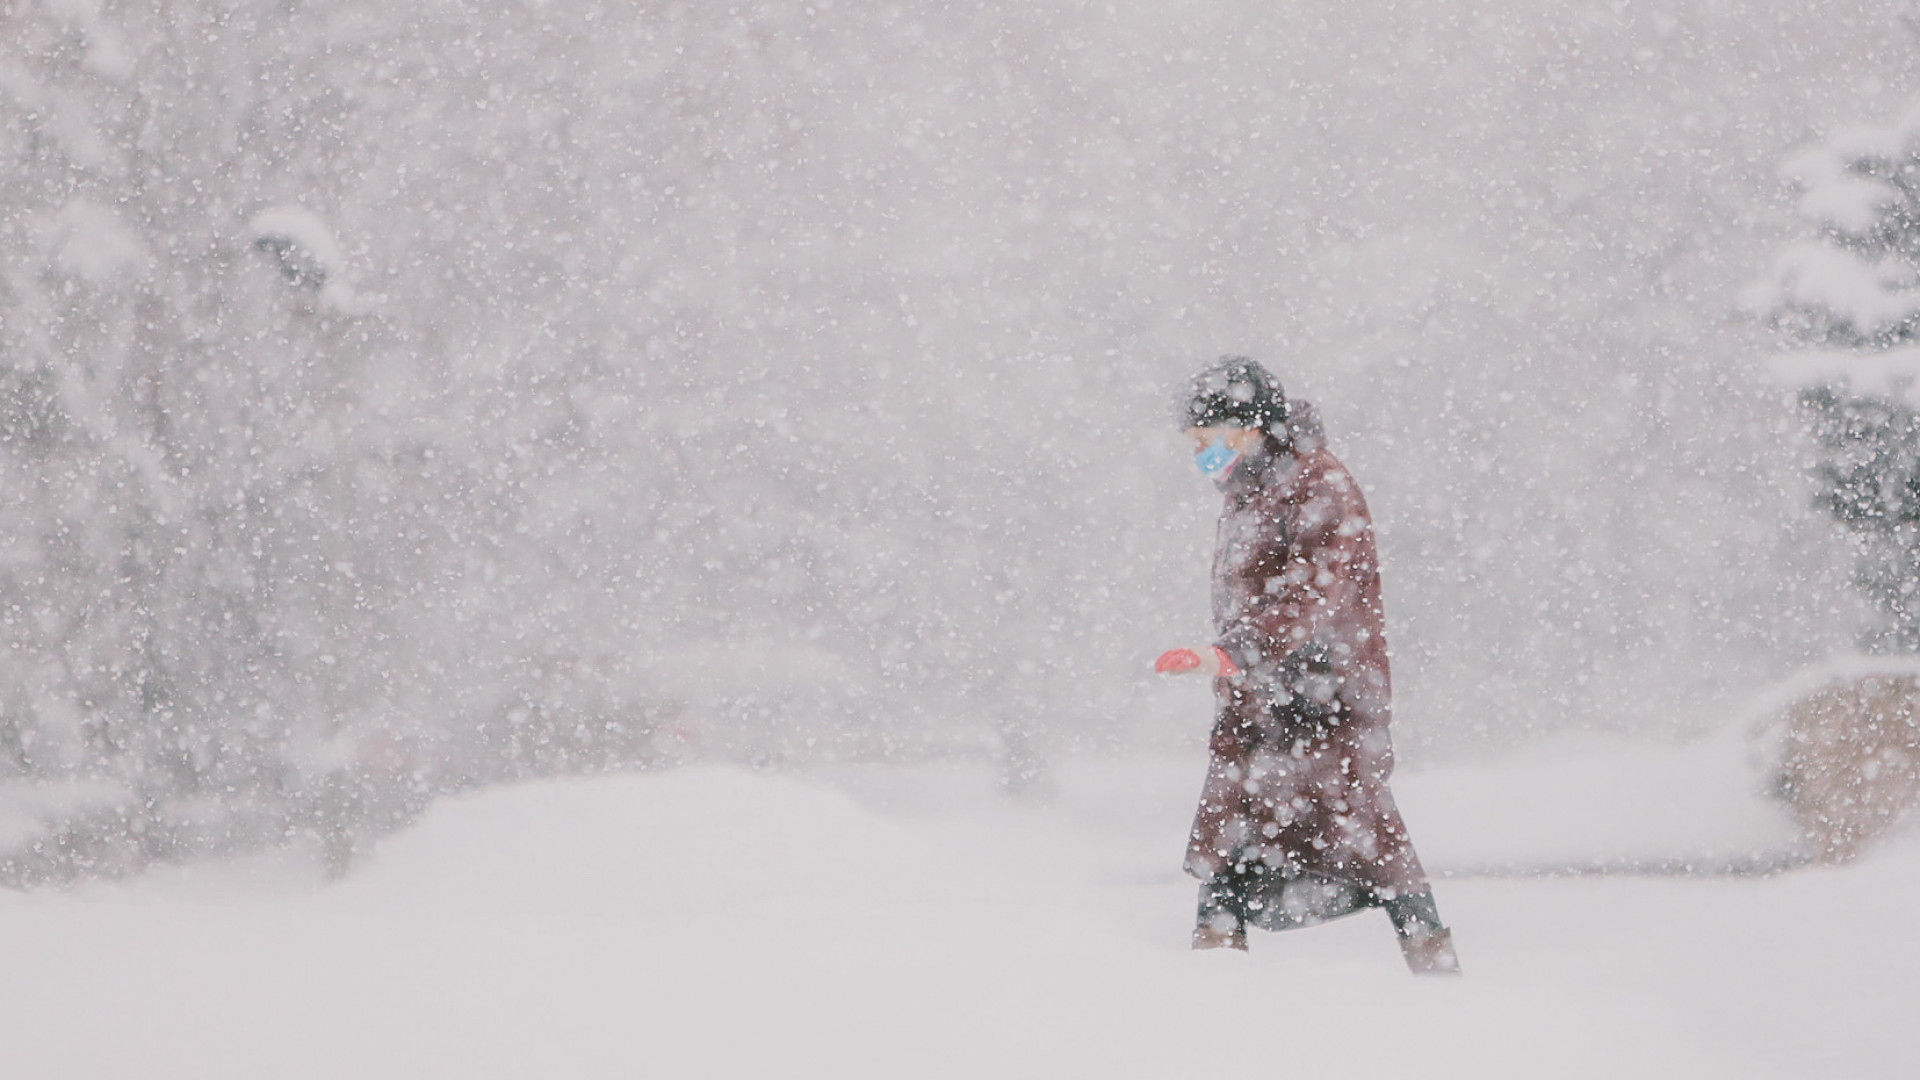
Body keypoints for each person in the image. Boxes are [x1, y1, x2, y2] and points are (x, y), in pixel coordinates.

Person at [1155, 357, 1460, 975]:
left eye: (1207, 440)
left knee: (1370, 840)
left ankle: (1437, 973)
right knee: (1232, 842)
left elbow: (1312, 596)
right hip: (1258, 702)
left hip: (1325, 700)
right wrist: (1235, 665)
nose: (1201, 455)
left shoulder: (1319, 485)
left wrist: (1231, 653)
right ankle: (1212, 976)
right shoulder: (1246, 491)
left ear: (1249, 427)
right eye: (1193, 444)